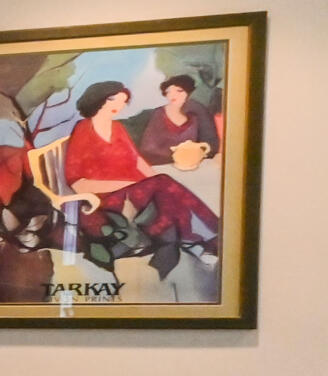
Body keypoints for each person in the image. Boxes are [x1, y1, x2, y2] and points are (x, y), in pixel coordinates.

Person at [59, 81, 218, 253]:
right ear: (97, 99)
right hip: (106, 198)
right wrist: (132, 184)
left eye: (123, 101)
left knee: (165, 188)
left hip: (135, 190)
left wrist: (153, 179)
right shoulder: (83, 130)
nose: (118, 106)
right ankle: (204, 235)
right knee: (164, 186)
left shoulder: (117, 127)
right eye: (113, 99)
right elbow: (77, 183)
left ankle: (193, 236)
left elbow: (137, 160)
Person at [134, 73, 221, 164]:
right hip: (160, 167)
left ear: (188, 93)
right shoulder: (158, 114)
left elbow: (209, 145)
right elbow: (148, 149)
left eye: (179, 91)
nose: (173, 95)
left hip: (189, 166)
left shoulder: (194, 117)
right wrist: (177, 156)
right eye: (168, 91)